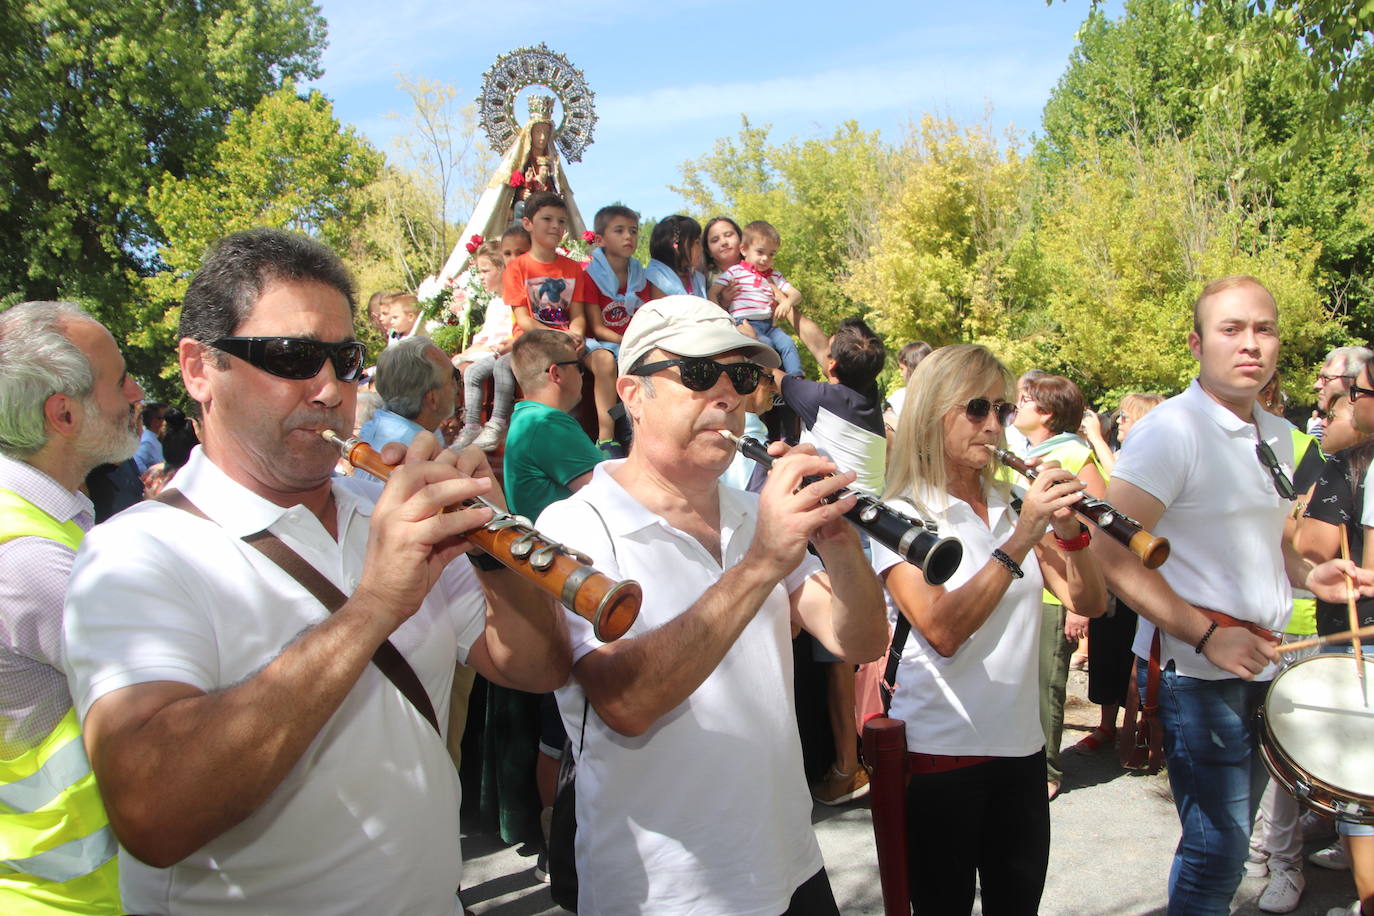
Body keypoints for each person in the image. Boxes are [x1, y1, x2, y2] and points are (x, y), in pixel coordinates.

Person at [62, 227, 570, 915]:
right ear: (199, 369)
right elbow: (153, 814)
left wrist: (491, 546)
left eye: (345, 359)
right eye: (292, 357)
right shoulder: (133, 553)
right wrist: (374, 606)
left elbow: (538, 668)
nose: (331, 389)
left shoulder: (388, 510)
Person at [536, 295, 889, 915]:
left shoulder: (755, 512)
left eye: (742, 376)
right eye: (700, 374)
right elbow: (625, 703)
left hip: (790, 862)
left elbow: (860, 641)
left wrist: (838, 539)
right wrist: (762, 564)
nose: (727, 396)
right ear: (633, 394)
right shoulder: (574, 525)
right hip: (668, 892)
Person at [1087, 275, 1374, 916]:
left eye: (1264, 329)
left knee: (1232, 845)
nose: (1251, 344)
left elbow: (1263, 539)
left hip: (1263, 660)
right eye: (1232, 329)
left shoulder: (1275, 431)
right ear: (1197, 344)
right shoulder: (1171, 431)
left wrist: (1309, 575)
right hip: (1199, 671)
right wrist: (1209, 635)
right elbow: (1110, 551)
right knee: (1217, 851)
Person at [875, 343, 1108, 914]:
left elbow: (1089, 601)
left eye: (1002, 410)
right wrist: (1023, 538)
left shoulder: (1012, 502)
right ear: (932, 414)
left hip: (1022, 750)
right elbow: (942, 630)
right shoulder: (902, 512)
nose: (994, 425)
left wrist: (1072, 534)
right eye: (976, 408)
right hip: (939, 755)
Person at [0, 301, 143, 914]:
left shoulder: (38, 518)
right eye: (121, 380)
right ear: (62, 414)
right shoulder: (30, 559)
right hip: (68, 894)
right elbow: (175, 692)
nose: (137, 393)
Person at [498, 328, 606, 880]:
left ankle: (553, 841)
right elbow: (610, 492)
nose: (586, 375)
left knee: (556, 729)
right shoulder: (548, 423)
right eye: (579, 367)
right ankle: (562, 842)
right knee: (565, 728)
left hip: (549, 588)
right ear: (557, 373)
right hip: (566, 591)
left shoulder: (527, 420)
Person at [777, 310, 887, 804]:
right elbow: (828, 352)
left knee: (839, 662)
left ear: (832, 367)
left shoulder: (820, 398)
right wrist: (796, 313)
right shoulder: (867, 395)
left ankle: (847, 766)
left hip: (838, 537)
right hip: (870, 535)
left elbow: (775, 375)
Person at [1009, 373, 1108, 801]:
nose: (1016, 408)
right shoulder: (1026, 453)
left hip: (1057, 592)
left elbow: (1096, 530)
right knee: (1025, 682)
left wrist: (1077, 605)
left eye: (1025, 401)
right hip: (1027, 583)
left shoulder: (1074, 454)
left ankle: (1047, 771)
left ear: (1047, 414)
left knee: (1047, 684)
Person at [1071, 393, 1165, 756]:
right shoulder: (1118, 453)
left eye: (1125, 416)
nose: (1118, 421)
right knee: (1107, 646)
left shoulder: (1154, 459)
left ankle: (1140, 727)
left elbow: (1117, 491)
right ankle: (1107, 726)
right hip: (1111, 569)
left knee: (1137, 651)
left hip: (1144, 572)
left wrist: (1096, 438)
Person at [574, 204, 648, 456]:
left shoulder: (639, 275)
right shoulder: (590, 276)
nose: (629, 236)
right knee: (607, 361)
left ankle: (641, 431)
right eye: (619, 230)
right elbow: (597, 328)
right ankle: (606, 439)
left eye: (633, 231)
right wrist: (628, 341)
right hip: (600, 343)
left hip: (629, 340)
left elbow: (644, 315)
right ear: (600, 239)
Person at [709, 220, 803, 377]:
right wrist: (722, 316)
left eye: (771, 254)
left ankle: (796, 378)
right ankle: (770, 381)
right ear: (744, 249)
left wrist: (787, 302)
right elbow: (712, 291)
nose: (766, 258)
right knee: (766, 345)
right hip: (746, 322)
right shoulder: (736, 271)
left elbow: (796, 294)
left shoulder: (774, 275)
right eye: (760, 252)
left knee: (787, 343)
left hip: (768, 324)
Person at [451, 241, 517, 451]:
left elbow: (507, 338)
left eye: (485, 271)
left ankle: (491, 424)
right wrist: (468, 352)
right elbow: (484, 337)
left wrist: (485, 350)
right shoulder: (495, 303)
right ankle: (466, 424)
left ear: (503, 269)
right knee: (461, 368)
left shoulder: (513, 302)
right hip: (489, 351)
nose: (481, 276)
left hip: (505, 351)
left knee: (477, 370)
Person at [359, 335, 459, 456]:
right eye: (452, 378)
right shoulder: (415, 454)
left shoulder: (378, 425)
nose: (456, 386)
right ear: (433, 399)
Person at [1311, 346, 1374, 440]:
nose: (1316, 385)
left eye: (1326, 378)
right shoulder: (1318, 434)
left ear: (1356, 382)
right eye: (1319, 377)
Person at [643, 215, 706, 298]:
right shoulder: (657, 278)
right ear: (677, 246)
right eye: (697, 242)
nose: (701, 248)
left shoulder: (695, 278)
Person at [883, 340, 932, 432]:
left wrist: (890, 421)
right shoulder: (944, 395)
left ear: (911, 369)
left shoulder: (900, 397)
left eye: (902, 369)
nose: (901, 374)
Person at [132, 401, 165, 473]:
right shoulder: (147, 441)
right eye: (166, 417)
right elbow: (136, 461)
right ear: (155, 421)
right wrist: (149, 476)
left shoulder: (157, 438)